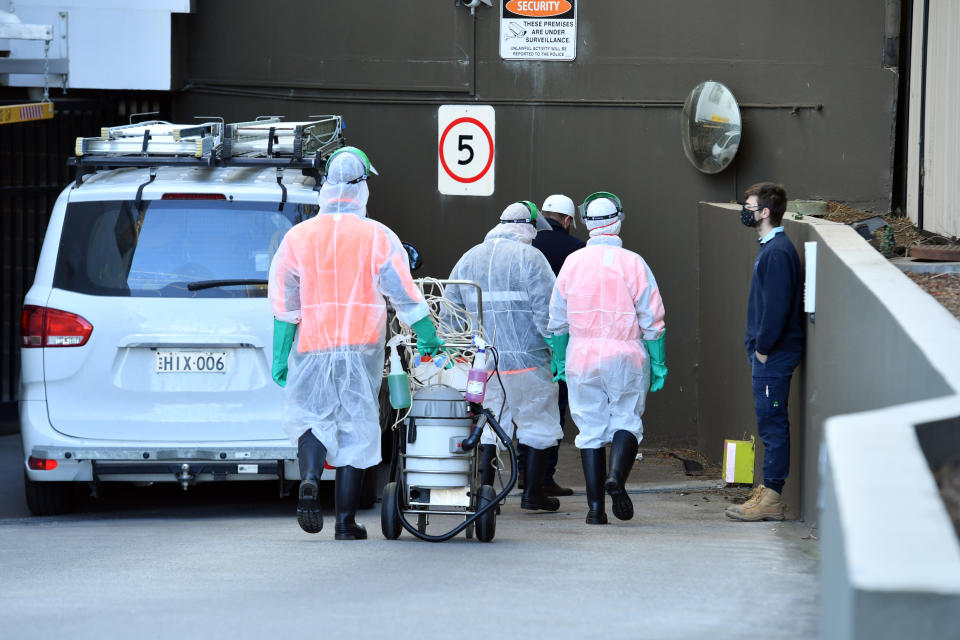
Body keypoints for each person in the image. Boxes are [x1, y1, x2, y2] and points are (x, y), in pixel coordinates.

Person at [268, 147, 442, 538]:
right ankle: (345, 523)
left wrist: (281, 357)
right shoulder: (378, 237)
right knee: (354, 429)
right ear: (363, 187)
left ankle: (311, 477)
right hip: (361, 346)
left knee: (313, 419)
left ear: (326, 185)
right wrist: (430, 340)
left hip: (312, 346)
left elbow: (283, 303)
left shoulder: (298, 238)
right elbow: (407, 297)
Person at [548, 192, 667, 525]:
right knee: (626, 419)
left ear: (587, 224)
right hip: (625, 354)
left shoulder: (573, 263)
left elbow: (556, 319)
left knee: (589, 429)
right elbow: (652, 317)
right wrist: (657, 361)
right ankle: (616, 477)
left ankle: (595, 510)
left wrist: (559, 359)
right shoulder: (634, 262)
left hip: (581, 356)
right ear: (618, 220)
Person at [446, 201, 565, 512]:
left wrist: (466, 348)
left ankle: (486, 492)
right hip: (527, 360)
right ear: (526, 226)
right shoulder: (531, 257)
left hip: (485, 362)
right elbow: (547, 312)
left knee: (489, 422)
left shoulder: (470, 257)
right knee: (537, 423)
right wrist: (556, 350)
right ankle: (533, 494)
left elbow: (450, 311)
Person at [726, 182, 804, 522]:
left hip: (773, 356)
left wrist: (763, 349)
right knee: (768, 422)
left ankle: (772, 497)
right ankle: (767, 490)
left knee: (772, 425)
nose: (746, 210)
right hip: (769, 354)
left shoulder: (777, 252)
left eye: (750, 205)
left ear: (766, 212)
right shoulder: (772, 249)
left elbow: (776, 308)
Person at [518, 193, 585, 497]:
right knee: (552, 409)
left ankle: (521, 473)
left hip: (519, 340)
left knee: (519, 407)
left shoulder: (526, 245)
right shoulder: (577, 250)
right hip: (559, 340)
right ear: (568, 220)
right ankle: (543, 478)